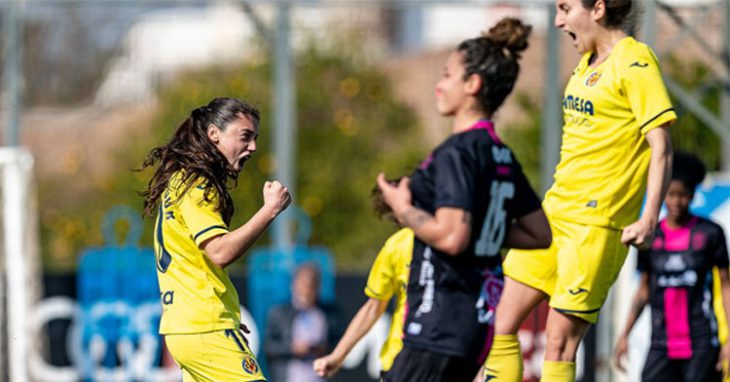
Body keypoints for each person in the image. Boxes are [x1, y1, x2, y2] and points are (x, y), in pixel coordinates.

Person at [483, 1, 676, 381]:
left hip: (596, 227)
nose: (557, 21)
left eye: (565, 8)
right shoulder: (584, 64)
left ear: (598, 9)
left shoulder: (635, 61)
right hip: (553, 215)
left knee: (558, 342)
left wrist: (650, 216)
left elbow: (662, 146)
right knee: (497, 322)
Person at [377, 17, 552, 382]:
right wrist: (482, 228)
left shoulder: (457, 152)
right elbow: (539, 234)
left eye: (446, 75)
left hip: (438, 324)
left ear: (472, 84)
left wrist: (403, 207)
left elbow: (452, 236)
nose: (438, 86)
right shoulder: (500, 153)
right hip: (475, 328)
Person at [140, 97, 291, 382]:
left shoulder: (179, 181)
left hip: (189, 328)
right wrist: (269, 210)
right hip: (204, 327)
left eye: (255, 138)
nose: (253, 147)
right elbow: (219, 252)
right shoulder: (198, 183)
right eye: (245, 136)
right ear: (214, 134)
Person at [613, 151, 730, 382]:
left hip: (702, 342)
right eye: (671, 194)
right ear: (663, 193)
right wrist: (624, 335)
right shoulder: (652, 237)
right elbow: (644, 289)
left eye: (683, 195)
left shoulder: (710, 234)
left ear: (693, 195)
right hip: (661, 344)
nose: (677, 201)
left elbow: (726, 286)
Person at [313, 179, 414, 380]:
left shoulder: (458, 242)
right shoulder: (398, 246)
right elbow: (373, 308)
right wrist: (337, 356)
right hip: (402, 361)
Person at [265, 264, 331, 382]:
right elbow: (269, 346)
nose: (307, 291)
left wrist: (323, 349)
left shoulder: (329, 314)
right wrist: (292, 348)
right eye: (304, 285)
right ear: (294, 285)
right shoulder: (279, 313)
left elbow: (340, 345)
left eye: (311, 287)